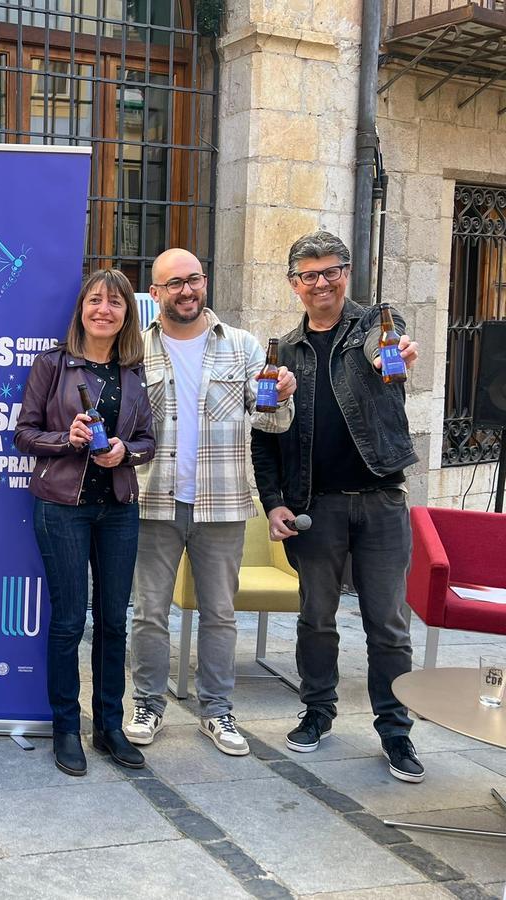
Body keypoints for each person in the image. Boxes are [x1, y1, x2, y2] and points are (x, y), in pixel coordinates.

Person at [252, 230, 424, 783]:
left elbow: (386, 351)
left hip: (381, 501)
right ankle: (317, 712)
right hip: (316, 507)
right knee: (316, 619)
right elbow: (264, 437)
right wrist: (273, 503)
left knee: (388, 625)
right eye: (309, 275)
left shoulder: (374, 324)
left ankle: (395, 731)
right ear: (293, 284)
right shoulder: (283, 352)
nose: (321, 283)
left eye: (330, 271)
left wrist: (395, 355)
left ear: (346, 274)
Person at [125, 249, 296, 757]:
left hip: (221, 503)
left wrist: (282, 394)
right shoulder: (136, 349)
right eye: (174, 283)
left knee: (220, 613)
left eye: (194, 279)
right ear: (155, 293)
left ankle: (217, 710)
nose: (187, 290)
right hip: (153, 501)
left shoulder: (241, 346)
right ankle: (147, 704)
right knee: (149, 612)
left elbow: (271, 422)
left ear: (205, 282)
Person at [14, 269, 156, 775]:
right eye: (96, 300)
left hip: (118, 508)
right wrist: (66, 439)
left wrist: (125, 452)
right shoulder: (52, 365)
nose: (104, 310)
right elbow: (24, 435)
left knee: (114, 621)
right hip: (61, 508)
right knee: (70, 620)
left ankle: (110, 726)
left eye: (115, 303)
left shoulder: (134, 372)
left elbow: (148, 441)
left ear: (127, 315)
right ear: (81, 309)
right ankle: (66, 728)